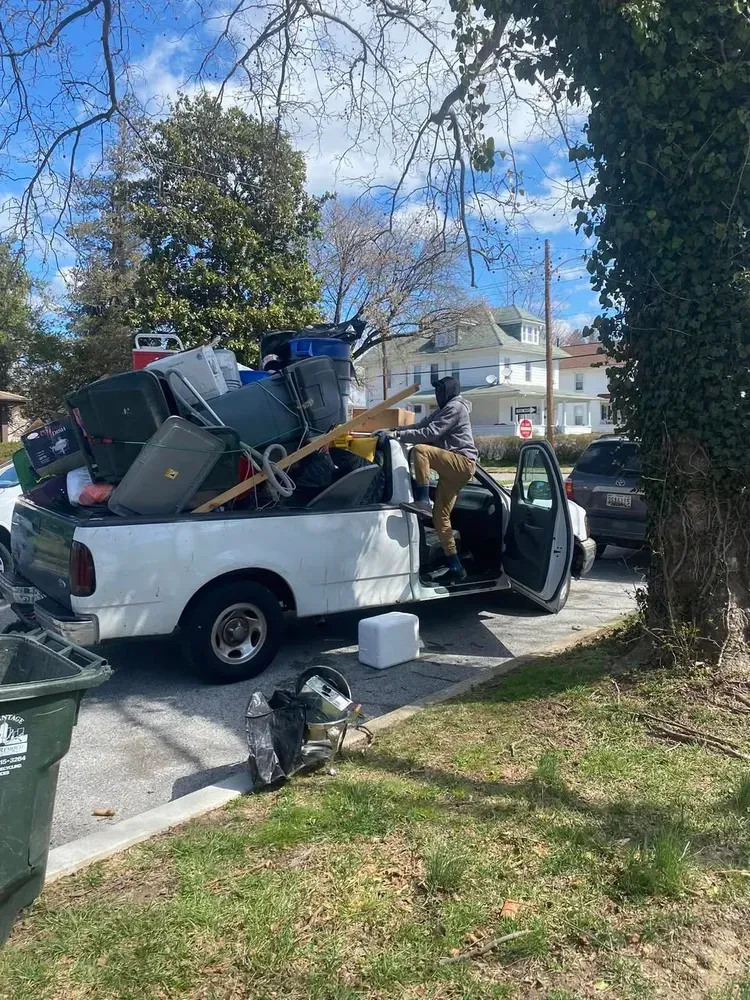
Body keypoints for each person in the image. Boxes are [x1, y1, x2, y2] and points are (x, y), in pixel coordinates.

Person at [379, 376, 478, 582]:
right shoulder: (444, 409)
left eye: (440, 391)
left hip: (462, 462)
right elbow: (423, 424)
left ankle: (423, 499)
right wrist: (394, 432)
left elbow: (432, 432)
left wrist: (397, 438)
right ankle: (455, 566)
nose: (437, 395)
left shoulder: (456, 407)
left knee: (421, 450)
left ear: (448, 391)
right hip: (454, 469)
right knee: (440, 518)